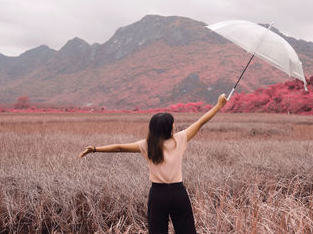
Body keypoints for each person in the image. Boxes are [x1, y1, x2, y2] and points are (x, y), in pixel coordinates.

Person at [78, 94, 227, 233]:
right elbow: (201, 121)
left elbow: (119, 147)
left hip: (158, 194)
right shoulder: (180, 139)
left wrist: (95, 149)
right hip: (178, 193)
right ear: (170, 128)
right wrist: (219, 105)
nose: (175, 125)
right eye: (173, 123)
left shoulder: (147, 145)